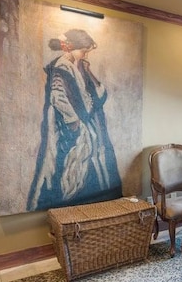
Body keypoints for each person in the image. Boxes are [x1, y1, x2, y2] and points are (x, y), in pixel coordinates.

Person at [27, 29, 121, 211]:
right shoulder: (62, 67)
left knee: (97, 165)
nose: (85, 55)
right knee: (68, 171)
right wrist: (73, 123)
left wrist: (88, 71)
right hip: (71, 131)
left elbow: (100, 96)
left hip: (89, 127)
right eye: (84, 51)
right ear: (71, 48)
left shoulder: (79, 66)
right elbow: (58, 97)